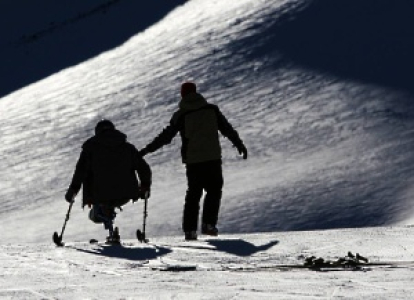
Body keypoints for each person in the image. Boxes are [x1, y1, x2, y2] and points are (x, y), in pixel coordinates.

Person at [139, 82, 247, 241]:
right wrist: (239, 144)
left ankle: (190, 231)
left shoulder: (181, 115)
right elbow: (227, 129)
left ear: (182, 95)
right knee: (214, 190)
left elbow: (165, 137)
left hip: (194, 161)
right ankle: (209, 225)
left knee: (193, 195)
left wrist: (147, 150)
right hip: (213, 158)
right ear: (196, 92)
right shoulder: (212, 110)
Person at [65, 119, 152, 243]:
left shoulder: (89, 149)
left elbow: (80, 172)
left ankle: (111, 230)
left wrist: (73, 190)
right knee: (109, 201)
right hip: (126, 193)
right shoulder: (128, 148)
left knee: (96, 214)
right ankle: (111, 226)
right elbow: (144, 168)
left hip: (99, 195)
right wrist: (145, 186)